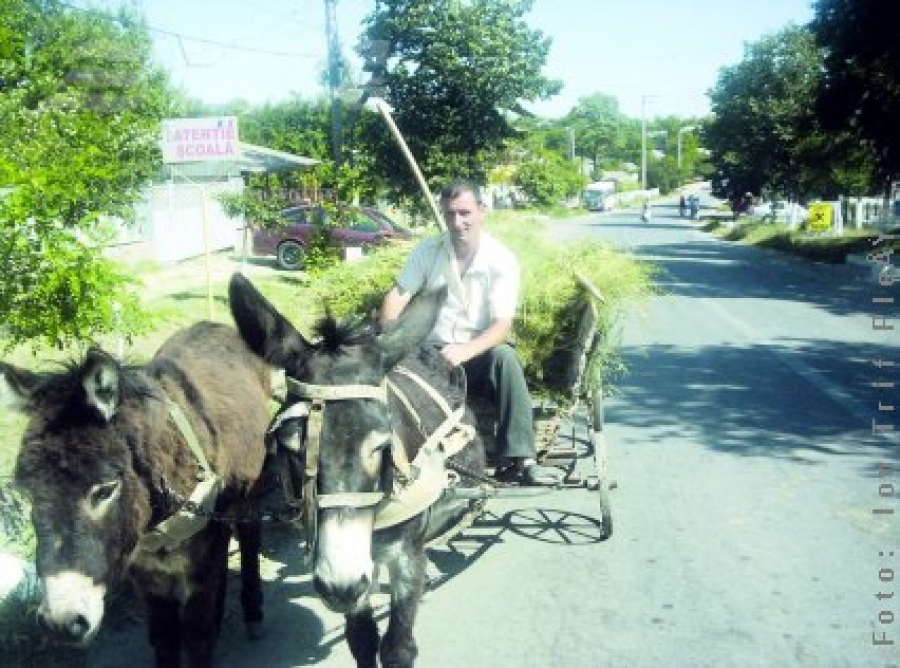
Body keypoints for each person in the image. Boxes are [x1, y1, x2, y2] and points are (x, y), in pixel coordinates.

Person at [379, 179, 561, 486]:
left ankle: (522, 458)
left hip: (477, 354)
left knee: (506, 359)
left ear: (482, 211)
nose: (457, 222)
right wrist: (389, 339)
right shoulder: (429, 250)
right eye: (449, 214)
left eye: (464, 213)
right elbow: (398, 294)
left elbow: (502, 325)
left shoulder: (500, 259)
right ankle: (396, 454)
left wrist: (465, 350)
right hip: (430, 355)